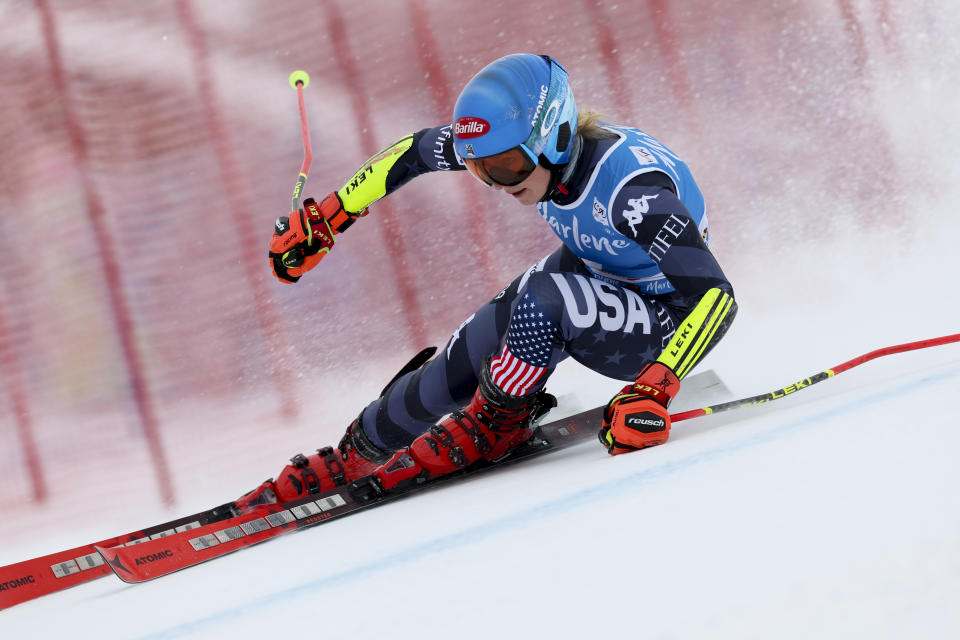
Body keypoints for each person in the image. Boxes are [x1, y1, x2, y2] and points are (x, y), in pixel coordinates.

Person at [240, 53, 736, 508]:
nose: (497, 182)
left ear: (556, 135)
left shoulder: (633, 193)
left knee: (545, 300)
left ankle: (494, 425)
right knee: (466, 354)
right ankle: (357, 454)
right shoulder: (517, 147)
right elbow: (413, 152)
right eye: (479, 169)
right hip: (596, 272)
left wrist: (655, 389)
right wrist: (331, 215)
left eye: (505, 166)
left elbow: (715, 298)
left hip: (665, 320)